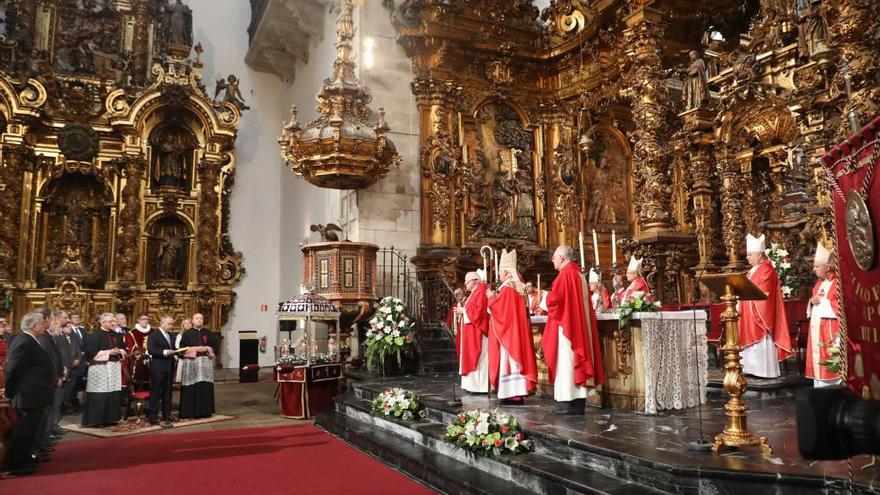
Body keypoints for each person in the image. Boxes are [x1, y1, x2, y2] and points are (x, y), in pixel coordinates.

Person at [541, 246, 605, 415]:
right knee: (572, 363)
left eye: (554, 258)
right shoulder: (577, 273)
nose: (553, 261)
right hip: (576, 326)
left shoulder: (565, 275)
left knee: (568, 362)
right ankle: (576, 403)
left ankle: (572, 404)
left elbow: (556, 300)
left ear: (561, 258)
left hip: (568, 328)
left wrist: (544, 297)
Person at [3, 312, 54, 476]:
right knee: (24, 432)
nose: (44, 325)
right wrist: (9, 392)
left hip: (33, 395)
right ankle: (17, 465)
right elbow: (13, 369)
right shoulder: (24, 341)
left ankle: (24, 460)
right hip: (27, 395)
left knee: (29, 431)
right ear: (33, 326)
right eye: (41, 323)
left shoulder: (29, 340)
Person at [486, 249, 538, 405]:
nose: (499, 275)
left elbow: (502, 311)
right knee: (516, 362)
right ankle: (517, 393)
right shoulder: (518, 287)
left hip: (510, 333)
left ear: (507, 273)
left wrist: (491, 298)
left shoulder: (509, 288)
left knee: (511, 362)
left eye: (501, 272)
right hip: (516, 331)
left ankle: (512, 394)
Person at [739, 233, 792, 378]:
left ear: (759, 255)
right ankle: (750, 369)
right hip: (748, 311)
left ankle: (763, 370)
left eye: (750, 254)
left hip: (760, 314)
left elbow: (762, 291)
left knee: (761, 340)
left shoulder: (767, 268)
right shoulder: (752, 270)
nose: (747, 257)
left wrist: (744, 290)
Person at [806, 242, 842, 387]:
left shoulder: (838, 283)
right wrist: (811, 302)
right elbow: (814, 304)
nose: (813, 269)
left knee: (830, 360)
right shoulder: (819, 284)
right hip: (817, 330)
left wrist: (822, 303)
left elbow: (841, 307)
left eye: (817, 266)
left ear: (827, 267)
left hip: (830, 329)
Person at [82, 313, 125, 427]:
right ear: (102, 322)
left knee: (113, 392)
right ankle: (97, 420)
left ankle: (112, 418)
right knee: (100, 393)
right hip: (99, 368)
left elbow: (124, 349)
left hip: (114, 367)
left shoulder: (117, 335)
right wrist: (109, 352)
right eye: (110, 321)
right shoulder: (95, 335)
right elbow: (89, 354)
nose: (113, 323)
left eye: (113, 321)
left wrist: (119, 351)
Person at [178, 313, 218, 418]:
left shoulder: (208, 333)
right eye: (197, 318)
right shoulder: (187, 334)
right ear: (193, 320)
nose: (199, 320)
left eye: (201, 318)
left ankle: (205, 411)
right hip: (192, 363)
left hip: (205, 364)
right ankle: (189, 411)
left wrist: (209, 350)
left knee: (204, 385)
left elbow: (215, 347)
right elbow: (181, 350)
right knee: (192, 386)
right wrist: (198, 349)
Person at [455, 271, 489, 393]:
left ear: (474, 281)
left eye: (466, 282)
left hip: (478, 332)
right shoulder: (475, 293)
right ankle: (473, 386)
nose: (465, 284)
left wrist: (463, 311)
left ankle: (480, 387)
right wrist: (463, 311)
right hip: (471, 331)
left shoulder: (481, 291)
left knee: (479, 359)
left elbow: (479, 312)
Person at [147, 315, 178, 426]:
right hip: (158, 368)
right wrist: (165, 352)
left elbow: (173, 348)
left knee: (168, 393)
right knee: (155, 393)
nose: (171, 326)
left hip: (169, 367)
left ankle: (167, 414)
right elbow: (151, 350)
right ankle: (153, 416)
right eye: (169, 324)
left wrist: (178, 351)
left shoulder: (171, 335)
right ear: (162, 323)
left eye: (172, 324)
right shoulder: (153, 335)